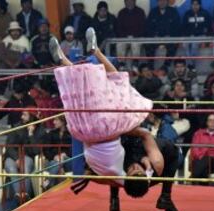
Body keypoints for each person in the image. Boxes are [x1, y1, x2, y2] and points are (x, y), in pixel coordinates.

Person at [53, 27, 160, 186]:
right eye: (139, 170)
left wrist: (149, 165)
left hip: (107, 130)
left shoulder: (120, 178)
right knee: (84, 93)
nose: (135, 167)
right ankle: (63, 60)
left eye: (133, 171)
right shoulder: (116, 179)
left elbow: (147, 138)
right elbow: (97, 173)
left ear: (129, 176)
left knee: (118, 81)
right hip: (85, 132)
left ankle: (96, 51)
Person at [108, 137, 179, 211]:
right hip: (148, 149)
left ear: (126, 176)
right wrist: (147, 158)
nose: (135, 167)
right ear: (145, 174)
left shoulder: (120, 168)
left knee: (114, 168)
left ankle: (114, 201)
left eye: (133, 171)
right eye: (138, 172)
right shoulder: (154, 167)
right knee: (171, 150)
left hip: (127, 145)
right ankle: (166, 196)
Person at [4, 108, 45, 205]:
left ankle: (24, 194)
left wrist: (31, 135)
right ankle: (20, 194)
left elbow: (36, 151)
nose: (22, 117)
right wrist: (17, 158)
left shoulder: (40, 131)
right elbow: (9, 146)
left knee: (25, 166)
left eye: (25, 115)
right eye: (22, 114)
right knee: (11, 167)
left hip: (27, 157)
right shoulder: (16, 127)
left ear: (31, 117)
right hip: (12, 156)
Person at [191, 114, 214, 179]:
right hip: (200, 160)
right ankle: (202, 184)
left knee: (205, 160)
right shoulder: (198, 134)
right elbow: (194, 150)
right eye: (210, 120)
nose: (212, 122)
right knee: (204, 164)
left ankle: (193, 177)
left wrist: (211, 155)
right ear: (206, 122)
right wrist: (203, 155)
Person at [146, 0, 181, 67]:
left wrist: (170, 35)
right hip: (155, 38)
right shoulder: (153, 12)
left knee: (173, 46)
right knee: (148, 46)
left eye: (164, 1)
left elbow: (177, 27)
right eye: (160, 1)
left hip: (169, 38)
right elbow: (148, 27)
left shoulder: (173, 11)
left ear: (167, 2)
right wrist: (154, 35)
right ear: (157, 2)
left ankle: (165, 68)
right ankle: (150, 67)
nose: (162, 3)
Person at [42, 116, 72, 190]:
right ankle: (49, 183)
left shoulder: (71, 133)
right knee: (57, 162)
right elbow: (46, 150)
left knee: (62, 158)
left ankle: (48, 181)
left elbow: (74, 150)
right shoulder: (51, 134)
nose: (53, 122)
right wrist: (54, 156)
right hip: (54, 161)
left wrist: (64, 154)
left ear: (63, 122)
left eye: (56, 120)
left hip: (69, 161)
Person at [116, 0, 146, 69]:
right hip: (124, 37)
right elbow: (118, 28)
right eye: (127, 1)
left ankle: (135, 64)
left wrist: (134, 36)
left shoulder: (140, 12)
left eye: (131, 1)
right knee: (120, 44)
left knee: (135, 44)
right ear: (125, 2)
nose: (129, 2)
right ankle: (121, 64)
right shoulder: (121, 13)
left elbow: (143, 28)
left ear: (134, 1)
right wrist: (126, 36)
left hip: (136, 37)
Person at [182, 0, 212, 66]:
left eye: (197, 4)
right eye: (193, 4)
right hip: (190, 35)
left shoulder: (205, 13)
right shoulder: (187, 14)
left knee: (194, 44)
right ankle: (190, 65)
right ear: (191, 5)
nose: (195, 6)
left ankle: (191, 66)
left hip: (201, 35)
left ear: (200, 5)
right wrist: (189, 34)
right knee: (185, 44)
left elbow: (209, 27)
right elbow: (184, 28)